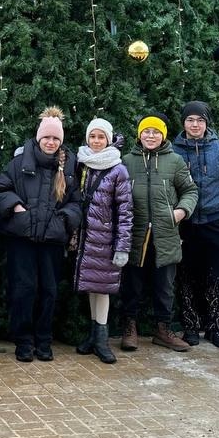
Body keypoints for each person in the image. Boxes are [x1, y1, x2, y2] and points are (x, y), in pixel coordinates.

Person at [0, 106, 83, 363]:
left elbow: (76, 203)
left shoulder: (70, 167)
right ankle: (23, 341)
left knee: (49, 290)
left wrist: (63, 221)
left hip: (52, 240)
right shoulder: (19, 163)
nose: (51, 142)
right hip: (22, 238)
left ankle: (44, 340)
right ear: (38, 138)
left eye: (56, 138)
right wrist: (17, 209)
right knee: (24, 290)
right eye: (47, 138)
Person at [119, 115, 198, 353]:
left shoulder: (175, 161)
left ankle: (163, 330)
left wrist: (181, 211)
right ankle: (129, 328)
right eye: (146, 131)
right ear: (139, 134)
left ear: (163, 135)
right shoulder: (126, 161)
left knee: (165, 286)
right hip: (135, 235)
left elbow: (190, 190)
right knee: (131, 285)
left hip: (166, 235)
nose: (150, 136)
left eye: (156, 132)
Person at [172, 101, 219, 349]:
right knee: (187, 276)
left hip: (217, 222)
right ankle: (190, 326)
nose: (195, 125)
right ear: (183, 123)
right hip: (187, 224)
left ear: (206, 123)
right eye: (190, 120)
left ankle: (216, 326)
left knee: (218, 277)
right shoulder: (173, 150)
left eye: (200, 120)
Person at [74, 117, 133, 364]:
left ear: (108, 140)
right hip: (86, 239)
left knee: (103, 289)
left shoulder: (118, 169)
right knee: (91, 285)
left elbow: (125, 211)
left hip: (106, 240)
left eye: (101, 137)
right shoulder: (81, 163)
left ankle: (102, 338)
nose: (96, 141)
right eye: (92, 137)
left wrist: (122, 246)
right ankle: (93, 334)